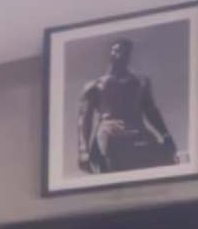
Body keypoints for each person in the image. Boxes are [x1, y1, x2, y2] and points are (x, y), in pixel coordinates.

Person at [73, 34, 179, 174]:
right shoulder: (94, 86)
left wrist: (166, 136)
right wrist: (83, 151)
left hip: (138, 133)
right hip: (110, 134)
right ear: (110, 53)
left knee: (165, 164)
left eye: (125, 51)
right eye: (116, 50)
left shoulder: (140, 82)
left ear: (129, 55)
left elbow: (151, 111)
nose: (120, 54)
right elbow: (84, 120)